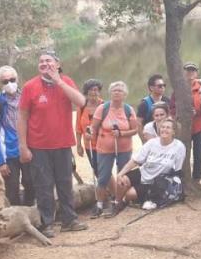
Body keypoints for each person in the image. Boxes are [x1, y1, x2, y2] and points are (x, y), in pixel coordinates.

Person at [18, 52, 88, 237]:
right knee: (43, 185)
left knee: (65, 183)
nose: (44, 64)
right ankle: (46, 222)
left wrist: (59, 81)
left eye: (48, 60)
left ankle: (69, 220)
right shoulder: (29, 86)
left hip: (63, 144)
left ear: (58, 64)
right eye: (41, 61)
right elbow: (22, 117)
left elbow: (81, 102)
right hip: (38, 146)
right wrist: (23, 146)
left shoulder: (66, 81)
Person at [88, 81, 140, 218]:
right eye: (114, 90)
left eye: (120, 91)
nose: (117, 93)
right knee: (103, 177)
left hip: (124, 148)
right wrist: (89, 133)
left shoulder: (128, 109)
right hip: (104, 148)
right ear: (110, 93)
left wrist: (122, 133)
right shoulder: (102, 108)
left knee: (121, 176)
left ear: (124, 95)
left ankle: (118, 202)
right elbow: (93, 127)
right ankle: (99, 205)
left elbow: (135, 130)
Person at [116, 118, 187, 210]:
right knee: (123, 180)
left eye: (168, 128)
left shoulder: (179, 146)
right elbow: (135, 160)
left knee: (130, 194)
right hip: (144, 172)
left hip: (156, 181)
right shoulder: (152, 143)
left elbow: (177, 170)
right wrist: (120, 173)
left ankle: (129, 200)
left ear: (173, 131)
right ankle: (117, 203)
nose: (164, 129)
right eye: (163, 127)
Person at [0, 66, 34, 207]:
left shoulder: (28, 99)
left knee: (31, 183)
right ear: (0, 84)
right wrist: (0, 162)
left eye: (12, 80)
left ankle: (31, 216)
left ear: (17, 79)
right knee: (12, 189)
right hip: (9, 153)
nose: (9, 84)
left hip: (28, 149)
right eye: (5, 81)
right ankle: (14, 218)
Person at [174, 62, 201, 183]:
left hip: (199, 127)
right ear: (183, 72)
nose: (190, 73)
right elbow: (172, 107)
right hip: (183, 127)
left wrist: (198, 111)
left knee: (198, 156)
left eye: (193, 71)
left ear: (196, 73)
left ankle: (196, 180)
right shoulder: (178, 88)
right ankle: (181, 179)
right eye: (188, 70)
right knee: (183, 154)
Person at [75, 79, 103, 182]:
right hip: (89, 145)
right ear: (86, 92)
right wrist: (79, 145)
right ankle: (103, 192)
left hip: (103, 144)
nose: (94, 92)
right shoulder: (81, 107)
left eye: (96, 90)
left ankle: (110, 191)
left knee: (104, 170)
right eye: (91, 90)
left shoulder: (104, 106)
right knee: (96, 169)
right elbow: (78, 128)